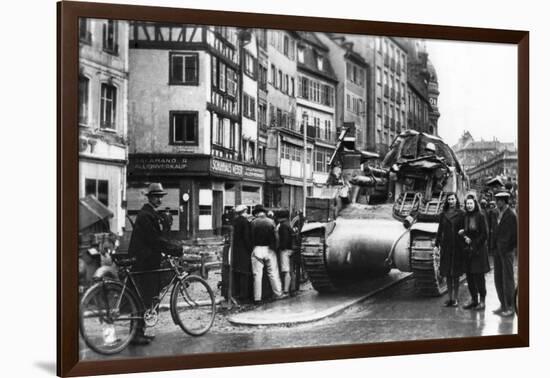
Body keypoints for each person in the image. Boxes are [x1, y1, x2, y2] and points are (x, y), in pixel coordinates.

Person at [127, 183, 181, 345]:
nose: (159, 199)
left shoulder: (150, 213)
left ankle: (139, 332)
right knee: (142, 298)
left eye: (160, 196)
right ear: (150, 197)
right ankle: (136, 334)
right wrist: (174, 249)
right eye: (156, 196)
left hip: (148, 260)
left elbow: (157, 239)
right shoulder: (147, 215)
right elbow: (155, 240)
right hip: (145, 262)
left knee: (146, 297)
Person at [460, 195, 491, 310]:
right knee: (469, 276)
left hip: (478, 250)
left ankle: (482, 301)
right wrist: (464, 235)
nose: (469, 206)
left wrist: (473, 243)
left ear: (474, 204)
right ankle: (474, 299)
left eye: (471, 203)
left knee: (479, 277)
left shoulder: (480, 216)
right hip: (468, 251)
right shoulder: (465, 216)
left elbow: (485, 234)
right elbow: (466, 231)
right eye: (467, 204)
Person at [435, 192, 465, 307]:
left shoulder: (461, 214)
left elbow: (464, 229)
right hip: (446, 247)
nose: (451, 201)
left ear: (456, 200)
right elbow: (440, 230)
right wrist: (437, 245)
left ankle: (456, 298)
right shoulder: (443, 214)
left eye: (453, 199)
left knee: (456, 274)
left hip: (457, 247)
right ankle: (450, 298)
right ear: (447, 201)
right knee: (447, 274)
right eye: (449, 199)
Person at [250, 206, 283, 305]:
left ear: (256, 213)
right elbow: (276, 237)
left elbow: (249, 236)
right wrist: (275, 247)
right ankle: (278, 293)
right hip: (269, 249)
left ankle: (257, 298)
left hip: (256, 249)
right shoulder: (271, 222)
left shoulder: (252, 223)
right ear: (264, 212)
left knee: (257, 275)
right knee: (273, 273)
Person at [492, 191, 517, 317]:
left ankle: (511, 307)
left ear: (505, 201)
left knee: (508, 279)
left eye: (499, 200)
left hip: (506, 252)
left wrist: (508, 248)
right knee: (498, 278)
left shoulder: (511, 215)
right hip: (498, 251)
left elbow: (515, 235)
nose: (497, 203)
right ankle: (503, 305)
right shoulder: (498, 213)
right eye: (497, 200)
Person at [231, 204, 253, 301]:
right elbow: (246, 238)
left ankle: (237, 293)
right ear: (244, 212)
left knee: (237, 272)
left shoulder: (235, 222)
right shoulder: (245, 222)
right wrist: (250, 249)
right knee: (244, 272)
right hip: (244, 250)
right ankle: (244, 295)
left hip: (236, 250)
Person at [277, 210, 295, 295]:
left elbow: (284, 239)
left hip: (285, 250)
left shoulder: (282, 226)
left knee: (286, 270)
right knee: (290, 270)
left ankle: (286, 290)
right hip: (291, 249)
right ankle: (292, 288)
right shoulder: (288, 225)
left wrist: (281, 247)